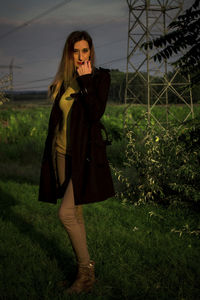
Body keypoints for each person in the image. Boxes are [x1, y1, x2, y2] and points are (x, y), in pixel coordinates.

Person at [38, 30, 115, 294]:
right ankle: (83, 274)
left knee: (66, 214)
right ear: (69, 54)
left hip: (83, 158)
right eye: (76, 51)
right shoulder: (64, 80)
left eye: (85, 50)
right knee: (76, 213)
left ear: (91, 51)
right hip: (60, 153)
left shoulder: (100, 78)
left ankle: (85, 273)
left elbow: (95, 113)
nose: (81, 56)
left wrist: (85, 82)